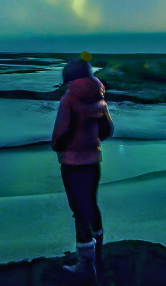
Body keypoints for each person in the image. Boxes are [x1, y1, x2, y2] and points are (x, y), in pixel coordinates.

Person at [51, 51, 114, 283]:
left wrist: (58, 147)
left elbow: (60, 134)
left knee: (79, 211)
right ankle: (98, 257)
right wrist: (90, 144)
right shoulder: (99, 97)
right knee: (91, 206)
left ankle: (86, 267)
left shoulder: (68, 99)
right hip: (93, 162)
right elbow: (108, 129)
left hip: (72, 164)